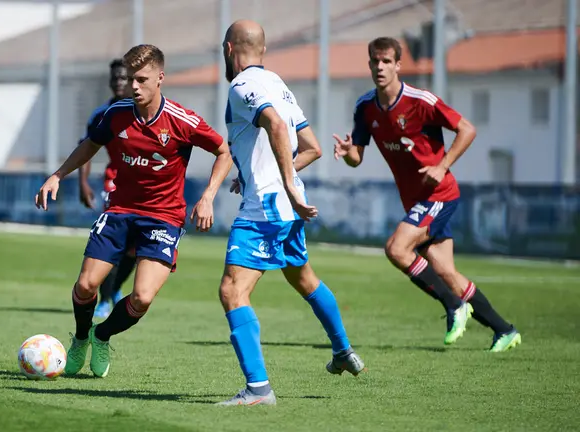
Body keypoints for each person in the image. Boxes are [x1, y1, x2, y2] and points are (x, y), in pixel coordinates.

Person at [36, 43, 233, 378]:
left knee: (141, 297)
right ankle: (81, 337)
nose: (134, 86)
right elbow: (90, 144)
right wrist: (58, 175)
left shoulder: (182, 121)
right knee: (86, 287)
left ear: (160, 78)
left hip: (163, 217)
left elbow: (223, 151)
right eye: (130, 80)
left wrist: (209, 195)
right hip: (120, 211)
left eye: (141, 79)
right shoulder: (116, 115)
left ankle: (102, 335)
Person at [333, 36, 521, 352]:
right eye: (375, 61)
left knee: (396, 248)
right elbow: (357, 159)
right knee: (445, 271)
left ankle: (454, 306)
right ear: (369, 65)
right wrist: (350, 151)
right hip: (417, 201)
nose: (380, 67)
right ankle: (504, 330)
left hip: (440, 195)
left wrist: (442, 165)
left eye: (386, 61)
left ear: (398, 65)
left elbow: (467, 129)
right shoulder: (365, 108)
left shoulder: (421, 101)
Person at [216, 20, 364, 407]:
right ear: (262, 51)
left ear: (229, 49)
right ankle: (343, 351)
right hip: (285, 204)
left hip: (266, 207)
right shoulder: (277, 83)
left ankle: (258, 390)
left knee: (233, 290)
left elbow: (278, 128)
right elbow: (312, 146)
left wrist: (278, 181)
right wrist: (274, 180)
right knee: (304, 278)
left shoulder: (241, 85)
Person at [77, 59, 137, 319]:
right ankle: (104, 299)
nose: (119, 82)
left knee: (135, 248)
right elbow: (87, 149)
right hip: (115, 182)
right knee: (115, 242)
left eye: (124, 77)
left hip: (144, 185)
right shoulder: (102, 114)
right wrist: (82, 182)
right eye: (115, 78)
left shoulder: (145, 109)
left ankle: (114, 290)